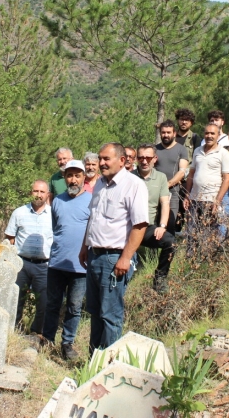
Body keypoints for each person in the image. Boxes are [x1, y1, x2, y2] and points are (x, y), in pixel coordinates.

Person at [80, 143, 149, 352]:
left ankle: (109, 366)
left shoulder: (133, 185)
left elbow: (139, 225)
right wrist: (85, 247)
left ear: (121, 160)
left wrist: (125, 258)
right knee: (94, 311)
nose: (101, 163)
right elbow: (93, 217)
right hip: (94, 254)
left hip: (115, 258)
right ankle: (93, 363)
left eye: (106, 159)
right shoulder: (100, 184)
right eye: (100, 159)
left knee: (110, 315)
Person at [42, 160, 91, 361]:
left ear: (84, 178)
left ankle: (67, 343)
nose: (73, 180)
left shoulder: (92, 200)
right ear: (64, 178)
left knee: (74, 307)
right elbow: (55, 228)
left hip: (81, 266)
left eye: (77, 176)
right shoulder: (57, 201)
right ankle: (46, 339)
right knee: (53, 303)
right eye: (69, 175)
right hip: (57, 262)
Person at [5, 180, 54, 336]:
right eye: (35, 191)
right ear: (30, 193)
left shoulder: (54, 215)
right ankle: (13, 331)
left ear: (48, 195)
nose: (38, 195)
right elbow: (10, 237)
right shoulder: (19, 212)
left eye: (42, 192)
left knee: (44, 302)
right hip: (21, 264)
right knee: (16, 299)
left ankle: (36, 333)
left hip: (44, 266)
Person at [135, 144, 177, 293]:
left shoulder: (160, 177)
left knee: (171, 243)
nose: (144, 161)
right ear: (136, 159)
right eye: (141, 158)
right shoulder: (129, 177)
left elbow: (165, 203)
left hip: (147, 227)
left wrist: (162, 225)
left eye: (148, 157)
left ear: (155, 158)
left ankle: (160, 277)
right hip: (128, 227)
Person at [184, 123, 229, 246]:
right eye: (207, 133)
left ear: (217, 135)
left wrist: (217, 200)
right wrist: (187, 195)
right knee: (191, 231)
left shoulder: (223, 153)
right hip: (195, 198)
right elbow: (191, 174)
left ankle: (207, 258)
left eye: (212, 133)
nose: (209, 136)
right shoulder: (197, 151)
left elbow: (227, 179)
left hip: (211, 199)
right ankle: (191, 259)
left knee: (209, 232)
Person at [154, 120, 189, 228]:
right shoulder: (154, 149)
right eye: (163, 132)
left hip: (173, 192)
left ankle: (169, 244)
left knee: (170, 222)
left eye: (168, 132)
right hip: (155, 190)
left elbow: (182, 171)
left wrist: (167, 184)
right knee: (154, 221)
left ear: (174, 133)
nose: (166, 135)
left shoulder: (181, 149)